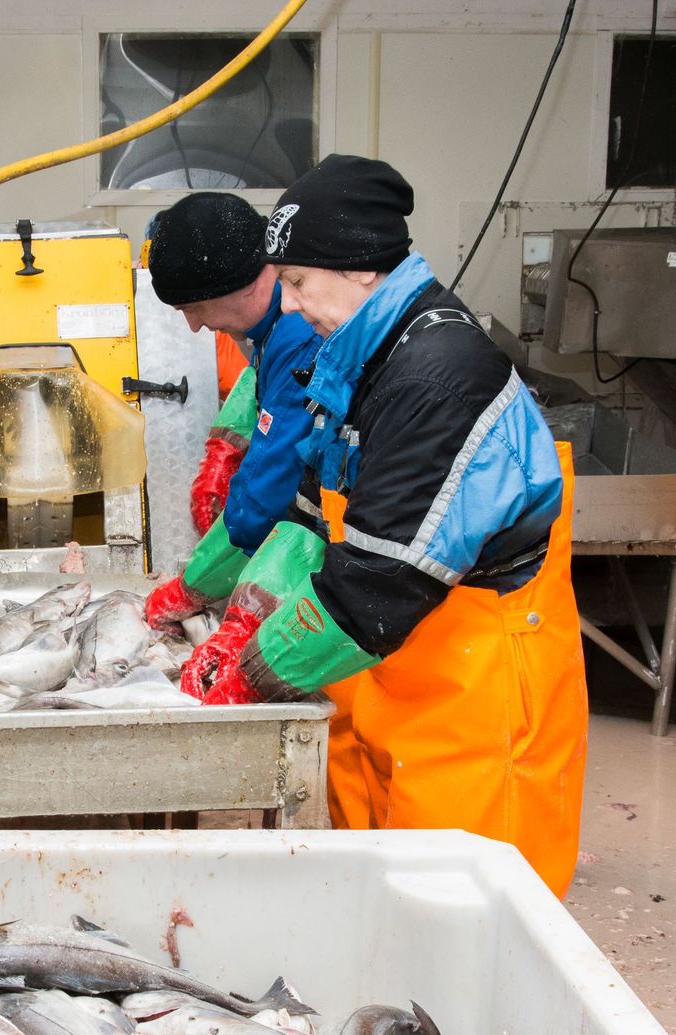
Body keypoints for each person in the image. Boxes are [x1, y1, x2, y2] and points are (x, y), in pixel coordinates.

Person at [182, 155, 588, 895]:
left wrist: (251, 673)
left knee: (461, 899)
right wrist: (247, 617)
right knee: (383, 879)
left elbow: (377, 584)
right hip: (389, 660)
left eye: (300, 281)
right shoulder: (362, 350)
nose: (293, 304)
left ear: (362, 267)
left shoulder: (436, 374)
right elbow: (311, 508)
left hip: (472, 672)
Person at [137, 193, 376, 820]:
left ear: (235, 289)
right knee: (364, 762)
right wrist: (227, 441)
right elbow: (260, 390)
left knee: (380, 753)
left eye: (193, 308)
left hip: (394, 586)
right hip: (354, 565)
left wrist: (194, 587)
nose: (191, 326)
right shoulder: (272, 325)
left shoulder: (302, 331)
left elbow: (272, 494)